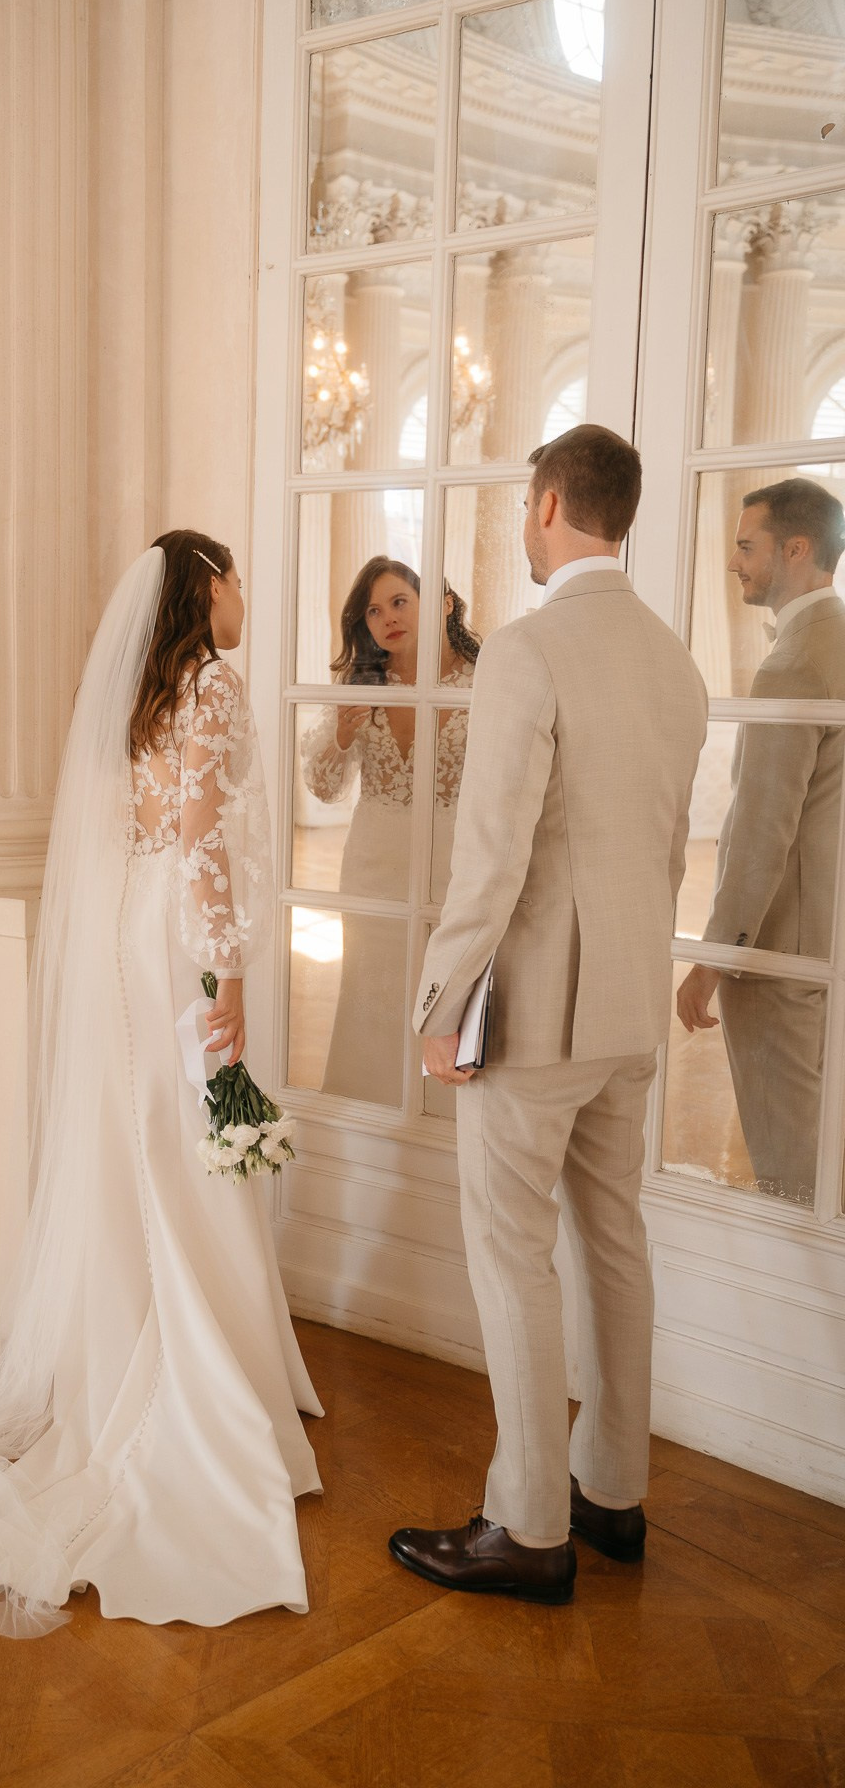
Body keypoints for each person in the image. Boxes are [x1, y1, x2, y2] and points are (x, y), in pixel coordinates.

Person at [0, 531, 322, 1637]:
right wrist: (223, 973)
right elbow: (202, 842)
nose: (243, 594)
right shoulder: (211, 691)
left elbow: (141, 832)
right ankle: (200, 1393)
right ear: (204, 591)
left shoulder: (143, 700)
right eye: (232, 577)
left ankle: (143, 1349)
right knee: (185, 1146)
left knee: (152, 1147)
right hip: (180, 931)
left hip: (130, 934)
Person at [392, 424, 708, 1604]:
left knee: (512, 1257)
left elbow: (490, 857)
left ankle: (525, 1525)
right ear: (617, 515)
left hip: (532, 1019)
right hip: (628, 1008)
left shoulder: (525, 652)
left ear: (542, 506)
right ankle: (612, 1497)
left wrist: (439, 1004)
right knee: (613, 1242)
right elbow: (671, 850)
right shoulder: (674, 663)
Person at [677, 477, 845, 1203]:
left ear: (796, 548)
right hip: (829, 938)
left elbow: (760, 833)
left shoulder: (794, 664)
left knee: (792, 1163)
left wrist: (714, 957)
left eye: (747, 546)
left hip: (784, 956)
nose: (734, 562)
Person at [301, 559, 479, 1104]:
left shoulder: (485, 677)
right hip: (372, 866)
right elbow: (323, 786)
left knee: (447, 998)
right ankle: (366, 1123)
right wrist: (342, 733)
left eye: (399, 601)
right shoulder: (361, 685)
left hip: (456, 865)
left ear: (440, 604)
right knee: (370, 994)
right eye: (373, 611)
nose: (386, 619)